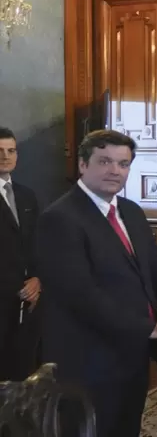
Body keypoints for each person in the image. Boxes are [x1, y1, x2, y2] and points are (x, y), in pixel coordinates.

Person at [35, 130, 157, 437]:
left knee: (126, 426)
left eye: (123, 163)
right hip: (85, 360)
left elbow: (156, 269)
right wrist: (150, 328)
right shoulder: (60, 218)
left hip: (129, 354)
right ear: (82, 165)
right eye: (104, 161)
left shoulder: (129, 211)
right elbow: (81, 295)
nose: (115, 170)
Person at [0, 126, 41, 381]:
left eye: (11, 150)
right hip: (3, 296)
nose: (6, 156)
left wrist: (39, 279)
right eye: (0, 151)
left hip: (28, 299)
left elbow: (39, 243)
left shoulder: (27, 196)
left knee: (22, 371)